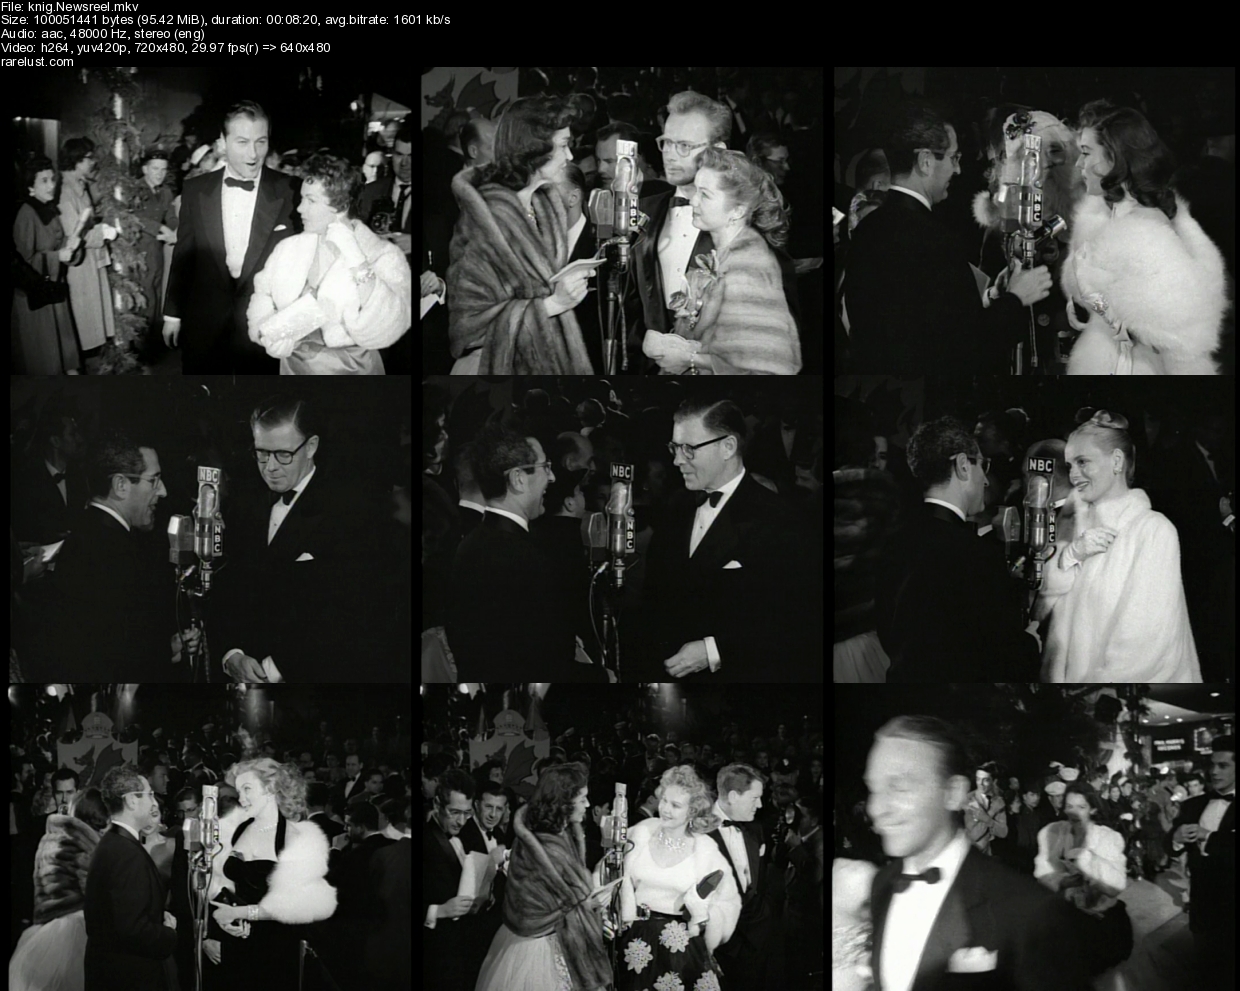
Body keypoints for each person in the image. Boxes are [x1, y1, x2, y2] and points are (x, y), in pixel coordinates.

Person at [866, 716, 1093, 991]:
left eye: (899, 787)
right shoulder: (881, 886)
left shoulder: (1029, 911)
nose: (876, 808)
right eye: (873, 789)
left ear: (953, 793)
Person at [842, 100, 1052, 373]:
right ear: (925, 161)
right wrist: (1016, 299)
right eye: (954, 158)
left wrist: (994, 297)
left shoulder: (866, 229)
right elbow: (965, 347)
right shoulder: (932, 239)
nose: (958, 170)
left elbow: (919, 326)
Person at [641, 398, 818, 679]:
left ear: (728, 447)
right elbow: (654, 596)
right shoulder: (675, 505)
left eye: (689, 449)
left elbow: (795, 620)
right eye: (674, 448)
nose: (677, 461)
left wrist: (715, 651)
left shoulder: (780, 518)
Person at [211, 395, 374, 683]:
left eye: (283, 454)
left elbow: (348, 613)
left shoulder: (349, 512)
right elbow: (229, 589)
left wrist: (273, 670)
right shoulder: (242, 504)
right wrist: (231, 655)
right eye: (262, 453)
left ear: (311, 446)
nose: (270, 467)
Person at [1061, 101, 1227, 374]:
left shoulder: (1148, 232)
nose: (1079, 163)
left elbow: (1176, 339)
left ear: (1114, 159)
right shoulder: (1104, 216)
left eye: (1087, 153)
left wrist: (1096, 301)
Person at [1036, 409, 1202, 681]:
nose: (1074, 475)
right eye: (1070, 465)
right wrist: (1070, 556)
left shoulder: (1153, 530)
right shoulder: (1076, 524)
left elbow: (1145, 642)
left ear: (1116, 461)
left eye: (1082, 462)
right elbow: (1043, 607)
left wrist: (1090, 692)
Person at [875, 415, 1041, 681]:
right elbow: (1002, 658)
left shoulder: (893, 539)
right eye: (983, 465)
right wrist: (1031, 643)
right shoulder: (978, 554)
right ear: (963, 466)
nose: (985, 480)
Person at [444, 424, 610, 682]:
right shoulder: (526, 558)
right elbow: (544, 663)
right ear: (518, 479)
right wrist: (602, 677)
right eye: (545, 467)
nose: (552, 478)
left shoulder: (472, 543)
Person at [447, 95, 598, 373]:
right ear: (534, 148)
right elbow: (467, 329)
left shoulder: (545, 206)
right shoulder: (485, 218)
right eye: (563, 145)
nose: (570, 156)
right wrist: (553, 304)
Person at [163, 100, 299, 373]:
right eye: (242, 142)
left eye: (261, 142)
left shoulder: (290, 189)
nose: (253, 154)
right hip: (205, 322)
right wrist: (172, 314)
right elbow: (184, 255)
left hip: (263, 325)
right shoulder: (196, 189)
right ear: (223, 142)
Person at [46, 429, 192, 679]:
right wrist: (166, 649)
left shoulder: (89, 532)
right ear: (121, 485)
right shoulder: (114, 552)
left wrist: (170, 647)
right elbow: (112, 654)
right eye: (153, 480)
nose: (163, 491)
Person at [247, 152, 411, 373]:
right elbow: (263, 294)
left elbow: (389, 325)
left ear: (340, 206)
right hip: (293, 369)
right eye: (302, 198)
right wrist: (268, 333)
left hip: (351, 371)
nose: (300, 208)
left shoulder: (383, 255)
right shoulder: (289, 248)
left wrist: (357, 260)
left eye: (311, 200)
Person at [644, 147, 801, 374]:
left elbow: (767, 362)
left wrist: (690, 359)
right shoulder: (715, 258)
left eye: (705, 195)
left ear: (737, 211)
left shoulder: (754, 267)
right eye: (695, 190)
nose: (693, 201)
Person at [475, 763, 611, 991]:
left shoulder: (556, 835)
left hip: (552, 940)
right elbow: (544, 903)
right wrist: (588, 903)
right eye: (582, 799)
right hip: (538, 948)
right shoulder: (543, 845)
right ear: (564, 802)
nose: (587, 804)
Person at [206, 759, 336, 991]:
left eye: (247, 789)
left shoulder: (293, 837)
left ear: (270, 788)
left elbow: (294, 906)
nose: (241, 798)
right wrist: (232, 919)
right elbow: (237, 886)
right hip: (241, 941)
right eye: (239, 791)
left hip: (277, 949)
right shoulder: (242, 829)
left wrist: (241, 912)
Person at [609, 765, 739, 991]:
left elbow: (725, 905)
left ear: (692, 812)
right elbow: (613, 880)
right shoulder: (640, 833)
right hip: (635, 937)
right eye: (664, 801)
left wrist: (701, 911)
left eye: (676, 805)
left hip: (681, 945)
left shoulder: (704, 848)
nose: (666, 810)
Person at [83, 765, 179, 991]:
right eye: (149, 794)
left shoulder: (113, 843)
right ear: (132, 801)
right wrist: (168, 933)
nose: (153, 802)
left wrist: (155, 913)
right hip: (129, 977)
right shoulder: (126, 853)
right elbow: (132, 929)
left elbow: (120, 911)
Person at [8, 788, 108, 991]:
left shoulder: (51, 840)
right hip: (74, 930)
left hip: (45, 931)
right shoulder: (81, 845)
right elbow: (96, 894)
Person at [1034, 782, 1132, 977]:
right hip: (1067, 920)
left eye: (1081, 807)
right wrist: (1064, 882)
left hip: (1101, 922)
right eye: (1069, 806)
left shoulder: (1107, 838)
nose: (1074, 812)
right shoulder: (1053, 832)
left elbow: (1115, 887)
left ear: (1092, 809)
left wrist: (1087, 864)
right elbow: (1041, 874)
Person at [1169, 735, 1235, 988]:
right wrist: (1176, 839)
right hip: (1203, 910)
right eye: (1212, 765)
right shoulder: (1193, 805)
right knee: (1207, 974)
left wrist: (1209, 837)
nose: (1214, 771)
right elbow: (1169, 844)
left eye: (1223, 765)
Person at [704, 763, 777, 989]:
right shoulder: (697, 831)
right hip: (718, 947)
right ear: (734, 796)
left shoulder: (755, 829)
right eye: (755, 798)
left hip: (757, 941)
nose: (760, 805)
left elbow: (759, 881)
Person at [12, 154, 82, 373]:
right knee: (46, 360)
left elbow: (58, 246)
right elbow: (22, 263)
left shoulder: (48, 208)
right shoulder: (26, 214)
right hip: (36, 299)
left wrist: (72, 246)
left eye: (52, 179)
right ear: (30, 187)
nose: (52, 185)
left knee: (64, 356)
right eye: (44, 181)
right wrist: (57, 257)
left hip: (53, 291)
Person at [57, 137, 118, 361]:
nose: (93, 162)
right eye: (89, 158)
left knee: (94, 319)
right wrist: (102, 233)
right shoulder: (66, 191)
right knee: (86, 322)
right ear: (77, 160)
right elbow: (74, 233)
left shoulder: (79, 186)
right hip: (81, 263)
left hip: (91, 260)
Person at [966, 762, 1009, 856]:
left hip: (987, 854)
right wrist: (991, 813)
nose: (980, 784)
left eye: (985, 780)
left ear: (994, 781)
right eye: (978, 779)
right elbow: (973, 836)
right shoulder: (969, 799)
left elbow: (1003, 832)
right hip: (970, 855)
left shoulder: (997, 801)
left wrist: (986, 818)